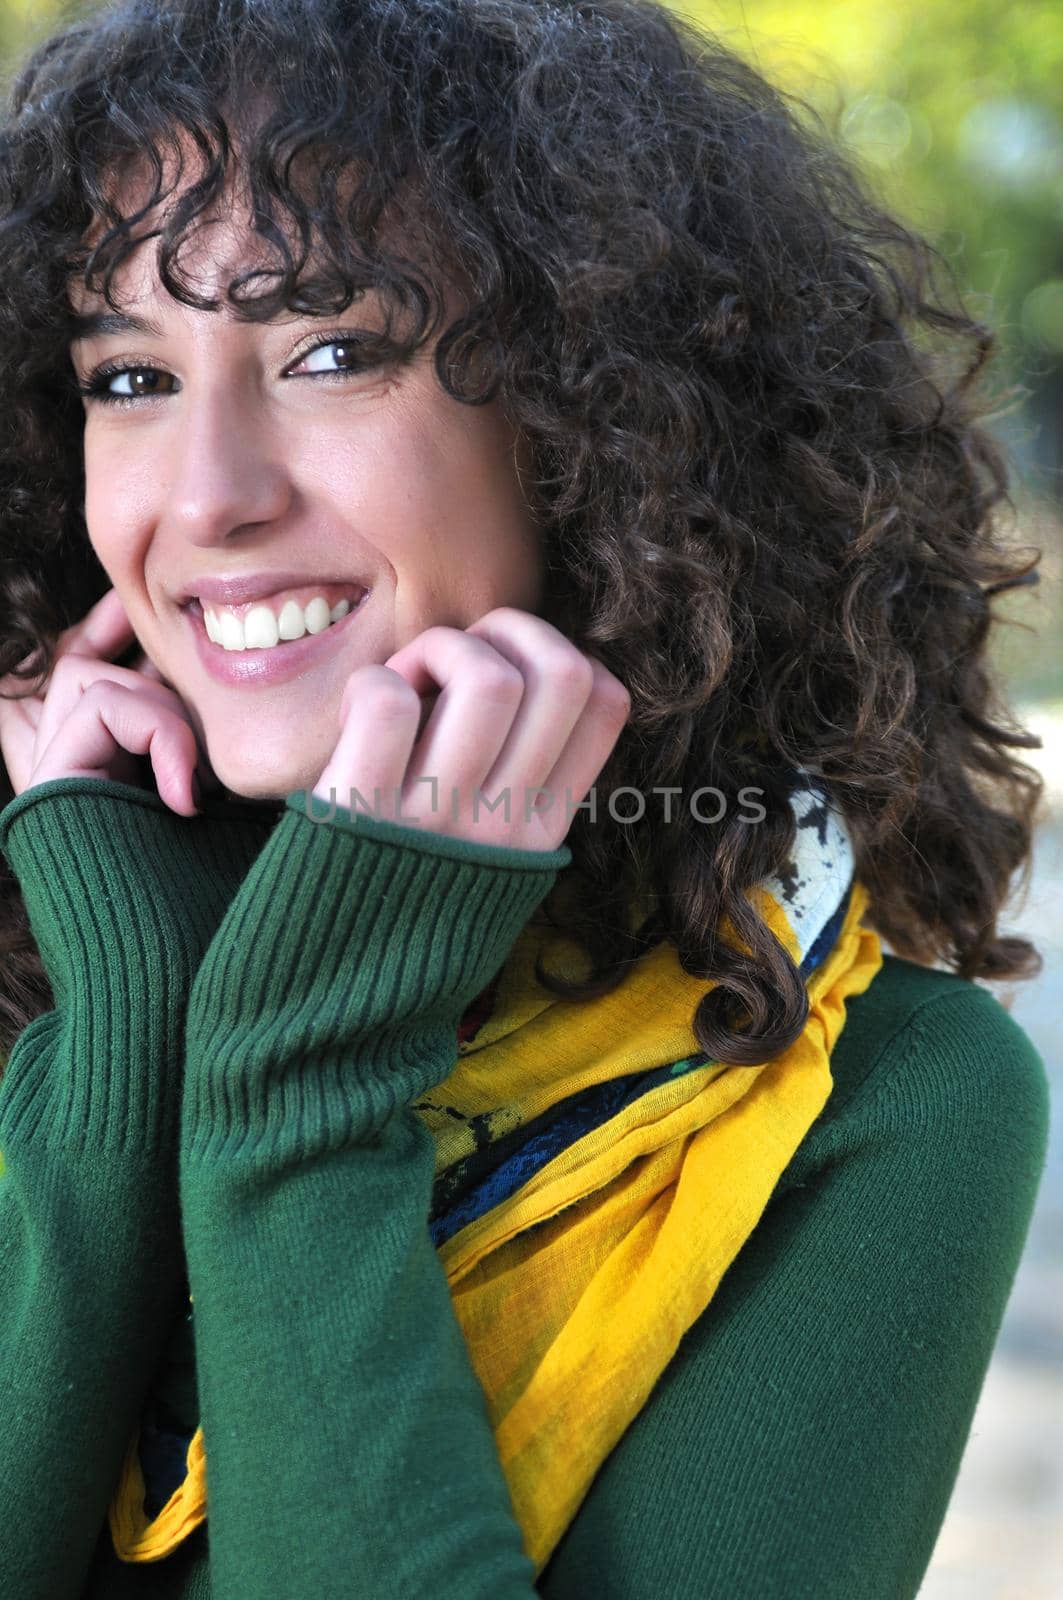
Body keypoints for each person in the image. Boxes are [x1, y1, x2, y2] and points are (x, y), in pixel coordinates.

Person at [0, 0, 1050, 1596]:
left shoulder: (878, 1100)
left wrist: (303, 1085)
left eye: (333, 349)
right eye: (130, 376)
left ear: (598, 422)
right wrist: (122, 1026)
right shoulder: (47, 939)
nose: (207, 496)